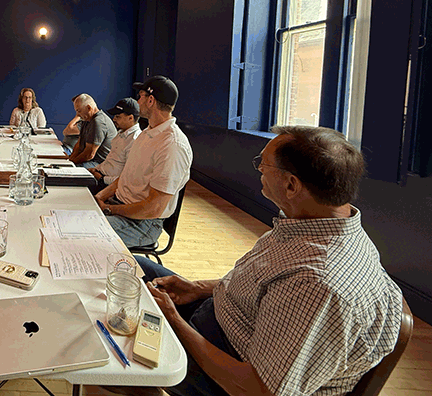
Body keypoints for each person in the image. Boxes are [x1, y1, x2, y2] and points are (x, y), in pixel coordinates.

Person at [133, 126, 403, 396]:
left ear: (291, 185)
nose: (259, 169)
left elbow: (257, 389)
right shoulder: (316, 224)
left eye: (263, 164)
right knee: (128, 267)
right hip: (219, 317)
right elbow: (266, 285)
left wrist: (172, 321)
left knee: (117, 343)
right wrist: (199, 287)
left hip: (223, 373)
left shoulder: (317, 284)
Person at [95, 76, 192, 248]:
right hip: (119, 207)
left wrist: (110, 209)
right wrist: (100, 196)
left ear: (150, 100)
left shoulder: (172, 145)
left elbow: (153, 208)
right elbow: (127, 177)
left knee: (83, 234)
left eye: (140, 96)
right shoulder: (147, 133)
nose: (137, 101)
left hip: (142, 224)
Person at [88, 97, 142, 193]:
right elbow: (110, 161)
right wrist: (95, 170)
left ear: (131, 118)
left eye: (118, 116)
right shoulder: (120, 133)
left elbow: (127, 178)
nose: (114, 119)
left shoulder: (135, 140)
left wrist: (102, 178)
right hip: (99, 176)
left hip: (108, 185)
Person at [68, 93, 117, 167]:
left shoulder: (98, 122)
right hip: (91, 161)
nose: (77, 114)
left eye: (79, 111)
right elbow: (79, 144)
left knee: (72, 169)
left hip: (101, 163)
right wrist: (70, 160)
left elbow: (89, 154)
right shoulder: (86, 119)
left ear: (89, 108)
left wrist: (72, 163)